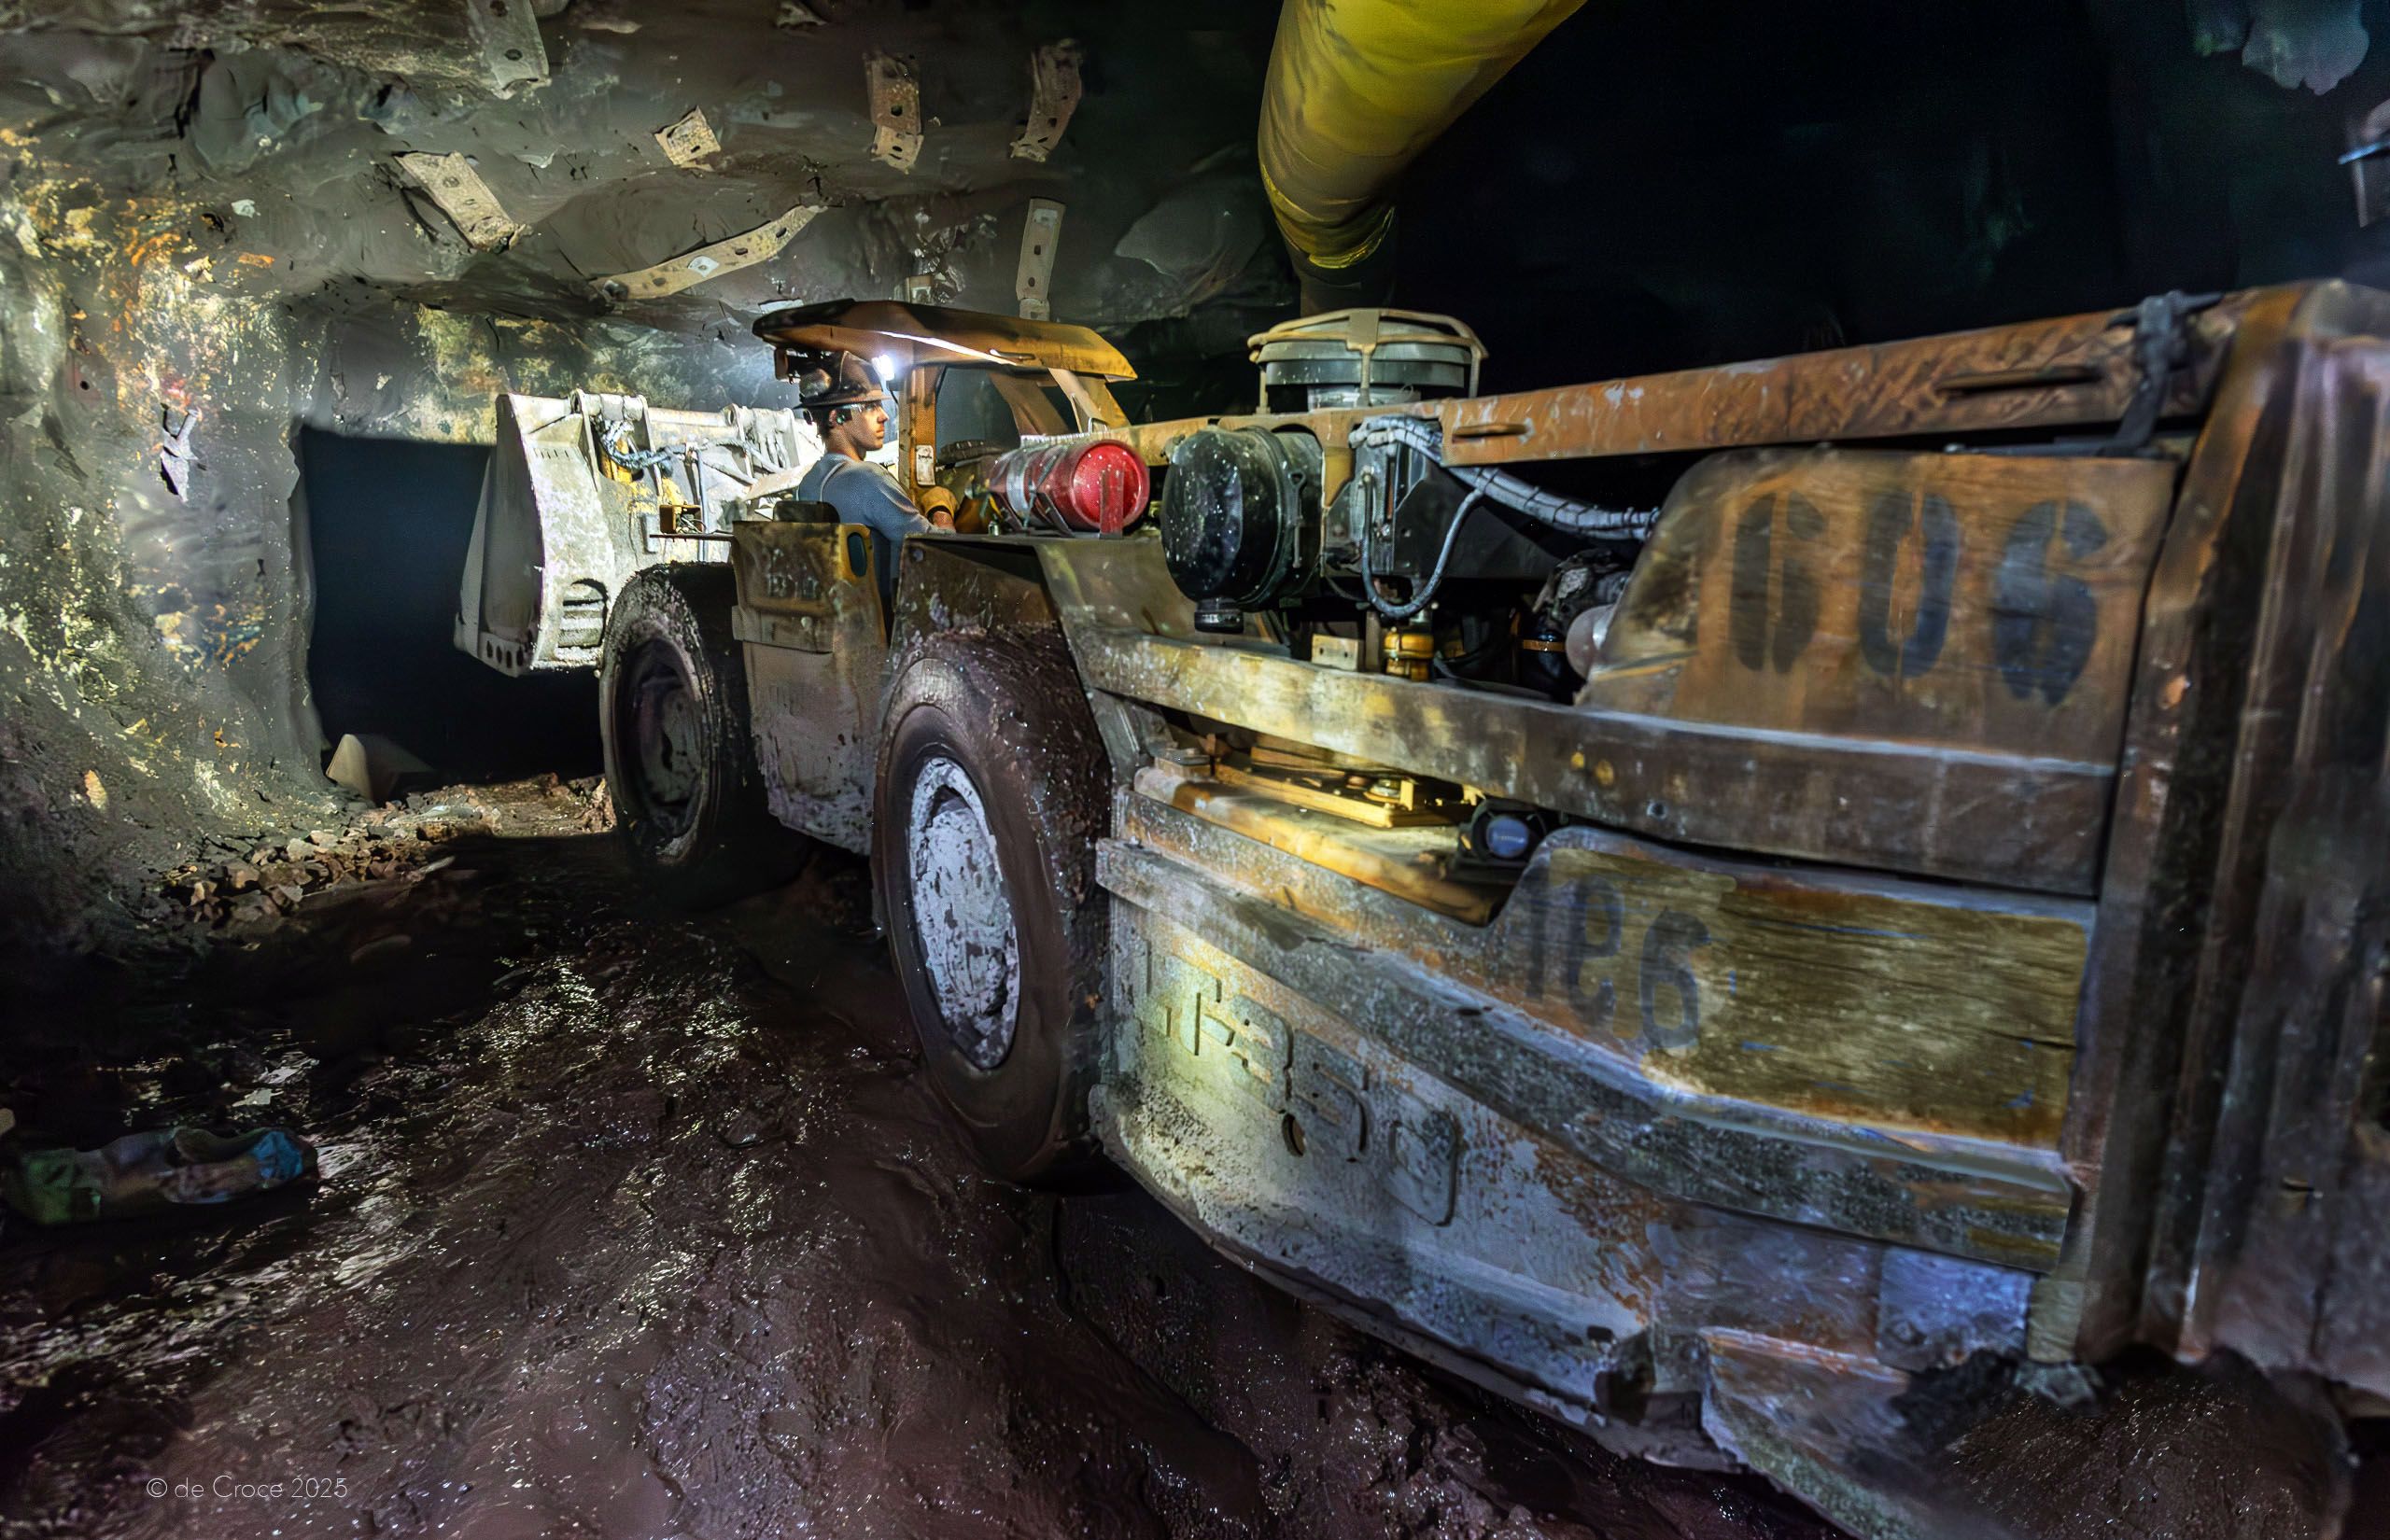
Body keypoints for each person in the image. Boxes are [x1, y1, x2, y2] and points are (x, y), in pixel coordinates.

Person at [790, 352, 952, 592]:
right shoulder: (868, 479)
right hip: (879, 622)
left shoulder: (808, 484)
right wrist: (941, 509)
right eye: (870, 407)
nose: (884, 415)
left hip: (833, 616)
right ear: (837, 417)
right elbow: (935, 547)